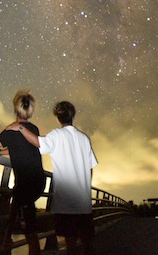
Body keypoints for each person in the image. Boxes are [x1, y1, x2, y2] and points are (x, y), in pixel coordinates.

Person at [8, 100, 97, 255]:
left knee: (71, 245)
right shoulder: (84, 138)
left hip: (66, 202)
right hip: (84, 201)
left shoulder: (56, 135)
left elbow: (37, 143)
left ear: (58, 117)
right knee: (87, 244)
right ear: (72, 116)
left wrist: (20, 127)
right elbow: (90, 168)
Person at [0, 90, 45, 255]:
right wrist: (0, 153)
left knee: (28, 230)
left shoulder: (11, 131)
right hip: (39, 182)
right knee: (14, 216)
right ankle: (8, 240)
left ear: (15, 110)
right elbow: (19, 147)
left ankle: (8, 243)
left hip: (26, 185)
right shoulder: (33, 129)